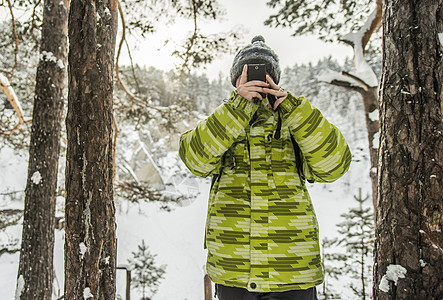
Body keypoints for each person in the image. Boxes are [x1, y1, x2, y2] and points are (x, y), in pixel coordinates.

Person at [179, 36, 352, 300]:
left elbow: (334, 165)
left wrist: (295, 110)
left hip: (293, 273)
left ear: (275, 79)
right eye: (250, 75)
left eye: (264, 74)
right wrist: (237, 108)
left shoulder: (294, 119)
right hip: (234, 273)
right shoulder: (225, 120)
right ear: (237, 81)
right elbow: (195, 159)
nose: (258, 81)